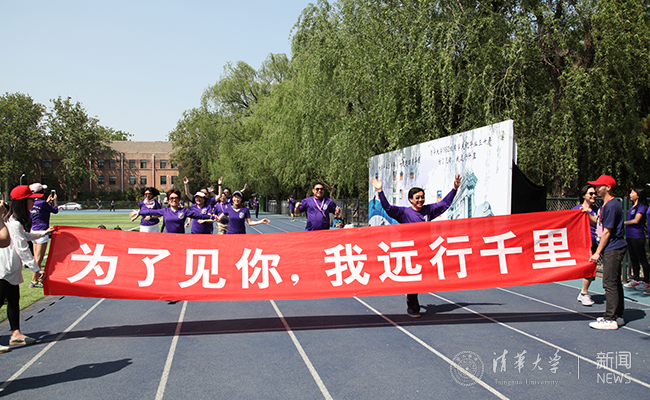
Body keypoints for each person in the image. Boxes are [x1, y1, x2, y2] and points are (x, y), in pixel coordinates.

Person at [371, 174, 461, 318]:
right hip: (410, 252)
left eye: (422, 197)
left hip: (425, 251)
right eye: (417, 197)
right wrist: (380, 191)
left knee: (423, 279)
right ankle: (412, 306)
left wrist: (454, 189)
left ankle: (410, 292)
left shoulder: (428, 210)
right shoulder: (404, 213)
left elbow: (444, 204)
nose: (420, 200)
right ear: (410, 200)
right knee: (414, 279)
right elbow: (388, 208)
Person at [0, 185, 55, 353]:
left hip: (11, 268)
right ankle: (15, 333)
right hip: (5, 268)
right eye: (32, 199)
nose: (34, 202)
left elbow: (25, 237)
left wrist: (44, 232)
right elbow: (22, 248)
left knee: (13, 299)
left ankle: (16, 333)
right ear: (22, 202)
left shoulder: (14, 220)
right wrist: (35, 269)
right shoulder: (14, 223)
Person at [588, 175, 626, 330]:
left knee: (609, 282)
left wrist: (597, 252)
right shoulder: (604, 205)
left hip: (613, 248)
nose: (596, 189)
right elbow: (598, 222)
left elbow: (607, 232)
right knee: (615, 282)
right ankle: (618, 315)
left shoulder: (611, 206)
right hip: (611, 247)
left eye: (599, 186)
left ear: (608, 188)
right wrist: (587, 212)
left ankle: (610, 318)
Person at [130, 189, 203, 234]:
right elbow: (148, 211)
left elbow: (198, 215)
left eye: (176, 198)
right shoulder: (165, 210)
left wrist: (208, 216)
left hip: (178, 237)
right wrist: (138, 213)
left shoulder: (184, 211)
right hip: (166, 237)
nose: (174, 200)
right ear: (168, 200)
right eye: (171, 198)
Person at [28, 183, 58, 288]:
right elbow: (55, 210)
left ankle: (35, 279)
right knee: (38, 259)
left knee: (36, 258)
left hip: (33, 231)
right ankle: (34, 281)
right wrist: (54, 201)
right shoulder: (43, 203)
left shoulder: (32, 203)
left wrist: (47, 202)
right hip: (42, 232)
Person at [572, 185, 598, 306]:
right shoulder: (576, 209)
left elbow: (596, 222)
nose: (594, 196)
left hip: (594, 242)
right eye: (591, 194)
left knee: (591, 267)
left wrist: (587, 213)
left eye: (594, 193)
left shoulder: (596, 209)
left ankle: (584, 292)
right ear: (584, 195)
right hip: (582, 244)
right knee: (589, 267)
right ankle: (584, 292)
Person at [623, 187, 650, 291]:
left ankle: (647, 281)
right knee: (633, 258)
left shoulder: (642, 206)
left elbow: (636, 220)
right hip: (629, 235)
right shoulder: (633, 206)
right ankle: (636, 279)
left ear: (638, 195)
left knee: (642, 258)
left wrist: (623, 223)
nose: (630, 194)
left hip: (637, 236)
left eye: (632, 192)